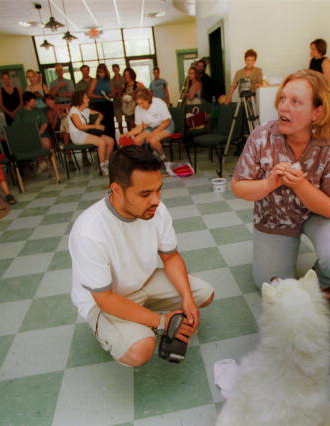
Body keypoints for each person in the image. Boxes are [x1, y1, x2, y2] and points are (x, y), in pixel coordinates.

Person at [68, 145, 214, 367]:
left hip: (143, 281)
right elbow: (104, 297)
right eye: (145, 194)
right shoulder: (89, 231)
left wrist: (187, 298)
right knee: (140, 351)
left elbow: (171, 257)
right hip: (105, 300)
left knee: (204, 294)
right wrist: (162, 322)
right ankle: (109, 327)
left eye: (159, 190)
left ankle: (139, 316)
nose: (156, 200)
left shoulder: (157, 209)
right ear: (117, 190)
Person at [231, 69, 330, 300]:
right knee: (270, 287)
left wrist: (301, 186)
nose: (283, 107)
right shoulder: (261, 136)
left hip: (321, 214)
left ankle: (322, 280)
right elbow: (238, 186)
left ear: (317, 112)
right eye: (283, 98)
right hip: (274, 217)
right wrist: (268, 184)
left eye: (296, 102)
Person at [68, 90, 115, 176]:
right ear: (80, 100)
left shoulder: (85, 109)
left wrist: (97, 120)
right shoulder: (74, 111)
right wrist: (95, 126)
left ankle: (106, 162)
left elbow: (101, 115)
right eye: (86, 98)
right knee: (101, 143)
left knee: (111, 141)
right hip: (77, 136)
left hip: (86, 133)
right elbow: (80, 126)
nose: (88, 99)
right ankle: (102, 167)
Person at [123, 87, 174, 161]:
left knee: (153, 140)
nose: (140, 106)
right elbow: (139, 127)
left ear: (148, 99)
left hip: (166, 126)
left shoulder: (158, 102)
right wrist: (128, 134)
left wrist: (153, 134)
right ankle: (140, 160)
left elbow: (167, 122)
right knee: (136, 141)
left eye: (142, 103)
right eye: (138, 103)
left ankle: (162, 156)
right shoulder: (138, 108)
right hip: (151, 127)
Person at [88, 64, 115, 139]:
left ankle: (113, 144)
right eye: (99, 72)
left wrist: (108, 95)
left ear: (106, 72)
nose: (100, 74)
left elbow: (113, 94)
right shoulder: (95, 81)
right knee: (101, 123)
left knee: (110, 124)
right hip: (98, 105)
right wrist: (101, 96)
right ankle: (103, 143)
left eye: (102, 72)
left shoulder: (109, 81)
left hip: (108, 104)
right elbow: (89, 94)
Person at [122, 68, 145, 132]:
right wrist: (123, 97)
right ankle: (131, 141)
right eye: (125, 75)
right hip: (126, 110)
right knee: (129, 127)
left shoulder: (138, 84)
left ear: (132, 75)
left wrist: (135, 97)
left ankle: (139, 141)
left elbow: (146, 94)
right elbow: (121, 96)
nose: (126, 77)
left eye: (128, 75)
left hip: (136, 110)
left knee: (136, 127)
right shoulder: (124, 86)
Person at [110, 64, 126, 135]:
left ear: (119, 69)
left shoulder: (124, 78)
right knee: (119, 122)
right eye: (114, 68)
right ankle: (123, 137)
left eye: (117, 68)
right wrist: (118, 90)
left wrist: (116, 90)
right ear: (112, 70)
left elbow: (124, 89)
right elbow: (112, 93)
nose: (115, 69)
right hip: (116, 103)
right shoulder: (111, 80)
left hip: (125, 102)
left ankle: (132, 137)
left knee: (129, 120)